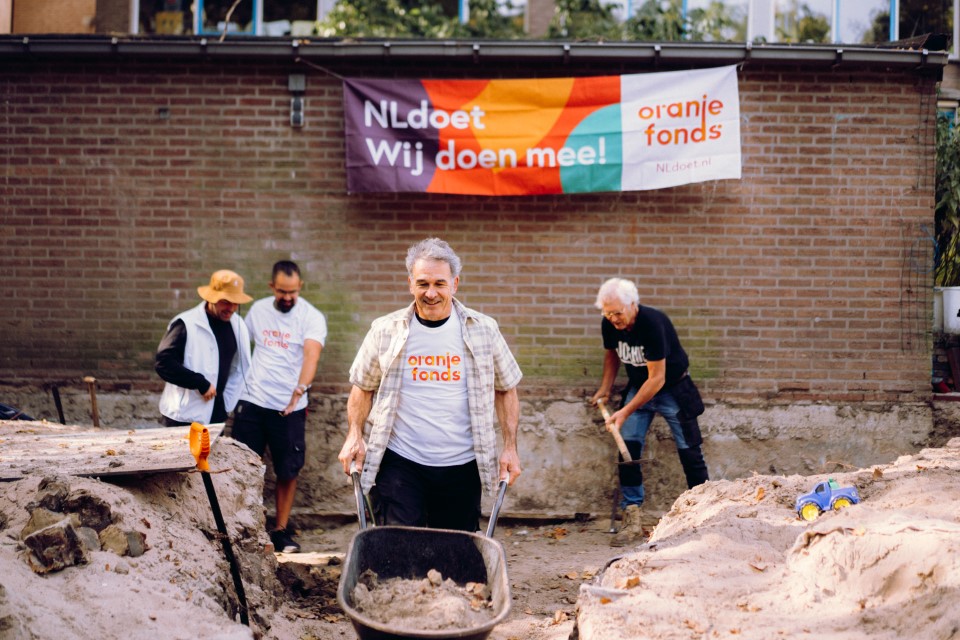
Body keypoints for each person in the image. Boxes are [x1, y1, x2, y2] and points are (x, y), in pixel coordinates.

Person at [338, 237, 522, 532]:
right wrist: (354, 434)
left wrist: (510, 447)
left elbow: (506, 388)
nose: (431, 293)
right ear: (410, 284)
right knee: (399, 546)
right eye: (423, 283)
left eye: (440, 283)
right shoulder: (385, 330)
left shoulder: (483, 330)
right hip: (400, 461)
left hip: (462, 465)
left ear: (455, 284)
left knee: (454, 550)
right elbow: (363, 387)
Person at [591, 277, 709, 547]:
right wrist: (605, 388)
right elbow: (611, 354)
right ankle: (632, 517)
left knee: (690, 450)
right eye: (607, 314)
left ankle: (705, 511)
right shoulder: (610, 323)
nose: (613, 319)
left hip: (672, 388)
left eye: (617, 313)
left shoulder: (653, 323)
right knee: (627, 450)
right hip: (638, 387)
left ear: (633, 304)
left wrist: (624, 412)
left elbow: (657, 379)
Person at [231, 261, 327, 554]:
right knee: (244, 467)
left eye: (292, 292)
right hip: (252, 401)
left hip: (289, 407)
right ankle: (246, 528)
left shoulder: (311, 316)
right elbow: (238, 344)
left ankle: (281, 531)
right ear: (272, 287)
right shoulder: (258, 310)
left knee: (288, 469)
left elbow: (311, 355)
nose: (287, 297)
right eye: (282, 291)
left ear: (300, 287)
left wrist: (300, 390)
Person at [156, 269, 253, 427]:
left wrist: (226, 403)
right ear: (211, 297)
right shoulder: (185, 323)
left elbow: (240, 367)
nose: (231, 308)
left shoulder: (238, 324)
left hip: (217, 416)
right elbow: (163, 363)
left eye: (236, 302)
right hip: (183, 417)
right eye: (226, 301)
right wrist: (200, 383)